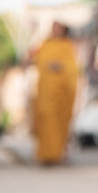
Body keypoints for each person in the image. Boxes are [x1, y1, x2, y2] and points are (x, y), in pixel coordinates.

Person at [31, 21, 80, 166]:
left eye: (57, 28)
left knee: (59, 124)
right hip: (46, 93)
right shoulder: (45, 44)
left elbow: (73, 68)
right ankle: (44, 155)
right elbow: (39, 61)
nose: (54, 31)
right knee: (45, 120)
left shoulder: (67, 46)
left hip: (61, 94)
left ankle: (58, 154)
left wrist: (59, 66)